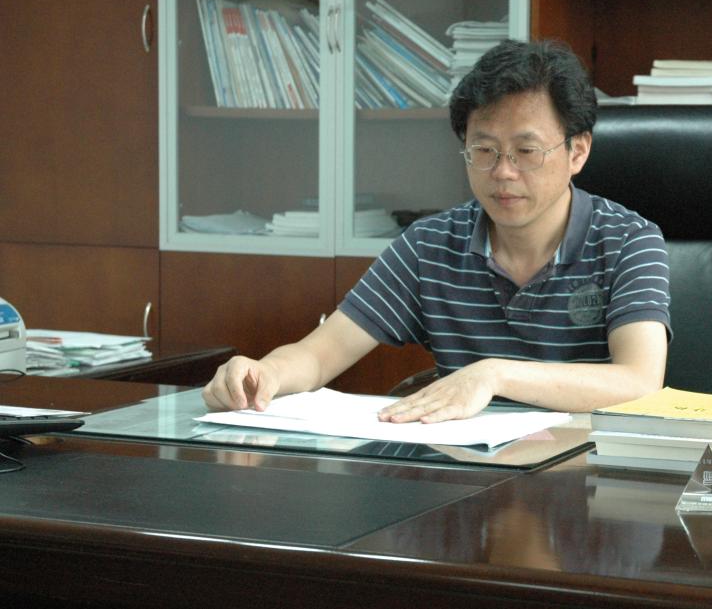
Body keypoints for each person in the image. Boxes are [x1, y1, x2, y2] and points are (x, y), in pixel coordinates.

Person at [203, 39, 671, 423]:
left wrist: (494, 375)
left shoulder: (629, 241)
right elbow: (319, 355)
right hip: (466, 477)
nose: (503, 172)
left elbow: (639, 381)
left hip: (587, 478)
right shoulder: (429, 245)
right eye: (483, 150)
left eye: (526, 151)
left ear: (577, 151)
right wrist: (263, 373)